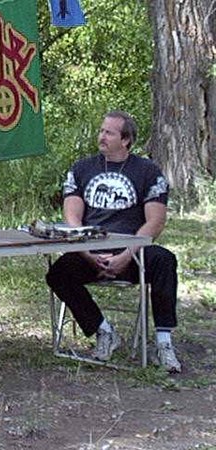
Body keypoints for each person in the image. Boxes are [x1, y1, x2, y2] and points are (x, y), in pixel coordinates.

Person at [46, 110, 181, 373]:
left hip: (132, 252)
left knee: (165, 260)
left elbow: (155, 222)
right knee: (58, 273)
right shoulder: (81, 169)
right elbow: (72, 216)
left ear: (127, 140)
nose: (102, 136)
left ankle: (164, 343)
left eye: (109, 132)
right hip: (91, 249)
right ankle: (103, 330)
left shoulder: (148, 172)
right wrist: (85, 250)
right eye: (101, 131)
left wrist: (126, 254)